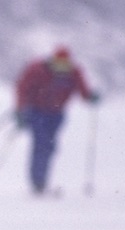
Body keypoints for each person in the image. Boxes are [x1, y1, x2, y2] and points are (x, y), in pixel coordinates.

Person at [15, 46, 99, 194]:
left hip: (57, 114)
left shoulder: (74, 73)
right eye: (58, 64)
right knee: (41, 143)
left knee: (50, 146)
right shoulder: (37, 69)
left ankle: (41, 180)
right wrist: (21, 110)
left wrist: (91, 97)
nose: (61, 68)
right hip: (36, 112)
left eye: (64, 64)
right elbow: (22, 88)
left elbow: (83, 92)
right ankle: (38, 182)